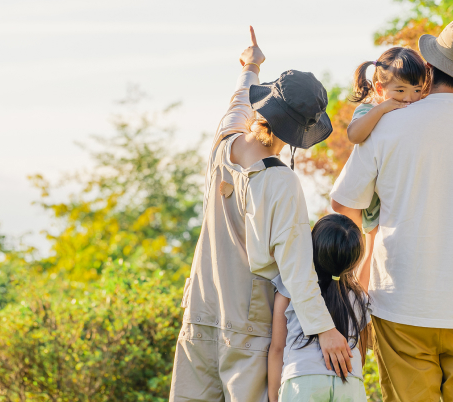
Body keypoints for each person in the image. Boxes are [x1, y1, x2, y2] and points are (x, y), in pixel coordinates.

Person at [330, 19, 453, 402]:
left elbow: (343, 205)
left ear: (428, 69)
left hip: (401, 302)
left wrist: (353, 278)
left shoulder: (386, 124)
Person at [169, 27, 354, 402]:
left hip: (200, 313)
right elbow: (297, 269)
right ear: (301, 130)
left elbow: (238, 103)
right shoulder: (282, 183)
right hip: (250, 325)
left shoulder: (224, 145)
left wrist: (250, 66)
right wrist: (325, 329)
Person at [344, 47, 453, 289]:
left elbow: (445, 101)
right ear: (380, 89)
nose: (409, 98)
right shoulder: (371, 109)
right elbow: (354, 135)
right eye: (400, 91)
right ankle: (360, 297)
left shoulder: (414, 104)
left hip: (397, 188)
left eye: (417, 90)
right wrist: (382, 109)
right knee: (372, 246)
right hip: (374, 190)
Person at [267, 214, 372, 402]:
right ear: (354, 259)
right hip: (350, 380)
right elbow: (361, 351)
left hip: (303, 377)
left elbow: (277, 348)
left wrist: (274, 398)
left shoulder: (291, 287)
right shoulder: (360, 298)